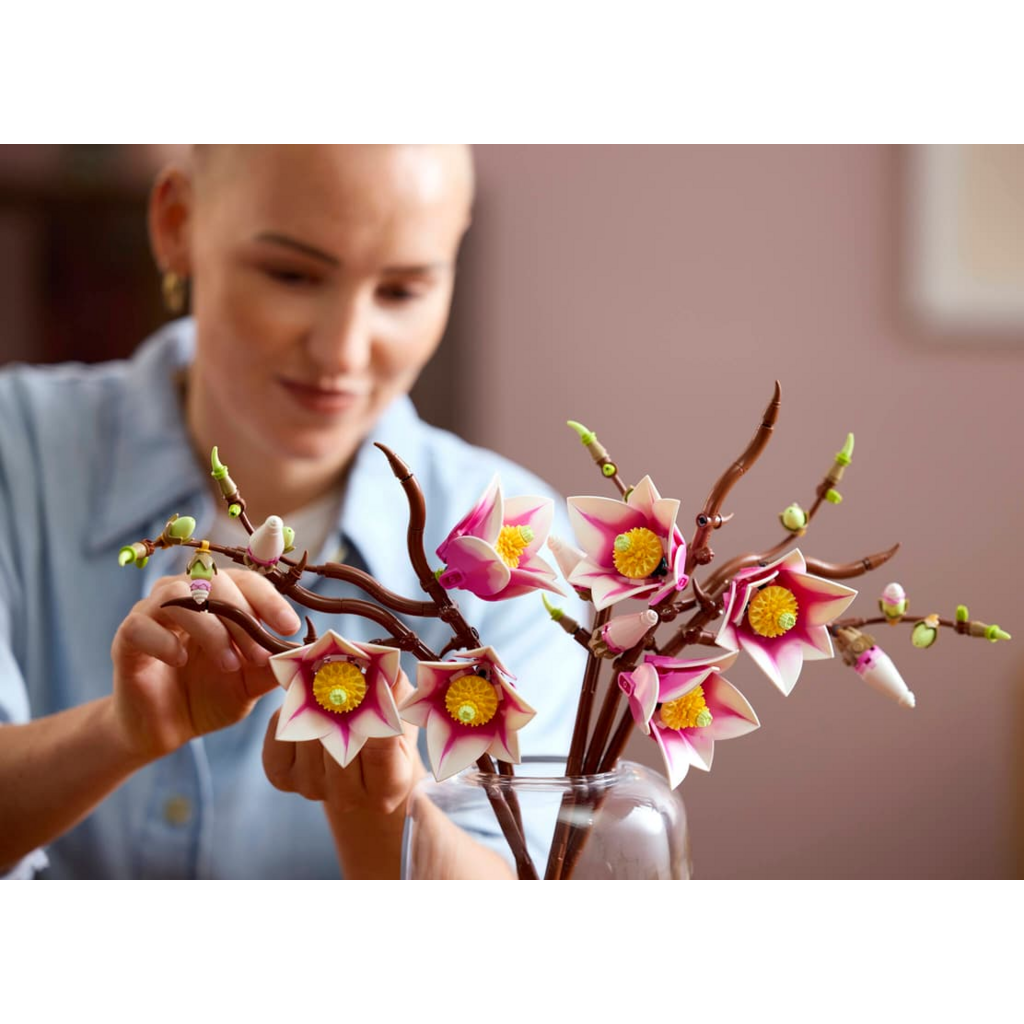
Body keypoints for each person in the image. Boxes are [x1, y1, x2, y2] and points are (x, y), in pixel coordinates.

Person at [0, 145, 589, 879]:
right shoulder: (14, 451)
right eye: (292, 275)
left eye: (402, 290)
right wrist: (118, 733)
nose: (341, 351)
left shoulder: (511, 547)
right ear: (178, 223)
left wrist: (378, 810)